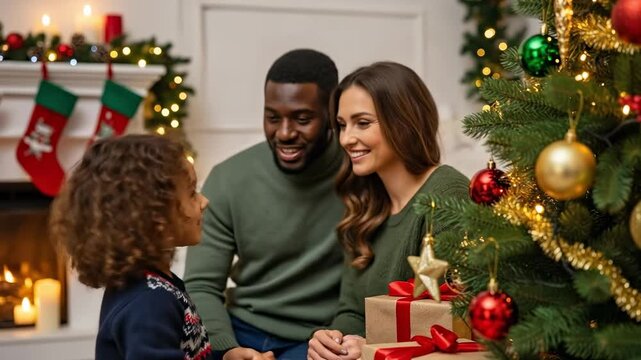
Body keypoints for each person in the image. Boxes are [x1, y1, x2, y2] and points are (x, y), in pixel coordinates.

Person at [183, 49, 345, 360]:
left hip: (320, 338)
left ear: (331, 111)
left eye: (302, 118)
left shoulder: (360, 175)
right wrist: (227, 349)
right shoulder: (228, 178)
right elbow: (202, 285)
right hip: (239, 330)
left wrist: (335, 339)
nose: (284, 133)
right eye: (272, 117)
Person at [307, 62, 470, 360]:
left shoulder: (447, 193)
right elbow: (352, 311)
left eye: (363, 123)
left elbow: (455, 322)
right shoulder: (364, 206)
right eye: (342, 125)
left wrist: (369, 346)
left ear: (404, 121)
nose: (346, 139)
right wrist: (333, 339)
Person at [49, 134, 215, 360]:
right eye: (192, 193)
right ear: (157, 219)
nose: (204, 201)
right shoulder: (149, 302)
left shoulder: (153, 285)